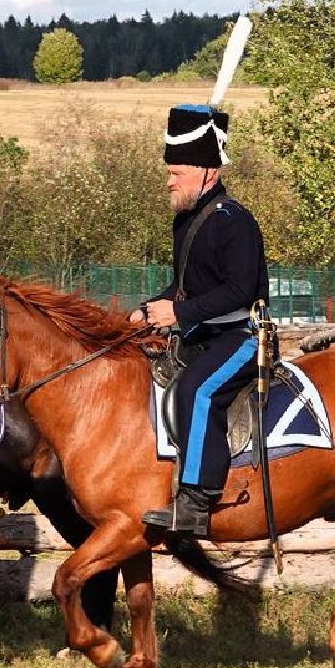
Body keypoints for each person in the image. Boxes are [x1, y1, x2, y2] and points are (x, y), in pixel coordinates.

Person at [134, 103, 269, 538]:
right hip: (200, 335)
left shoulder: (236, 222)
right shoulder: (186, 220)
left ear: (208, 173)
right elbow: (183, 285)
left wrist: (178, 312)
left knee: (197, 390)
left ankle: (195, 500)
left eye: (177, 172)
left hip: (242, 337)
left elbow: (239, 291)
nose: (168, 180)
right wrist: (146, 310)